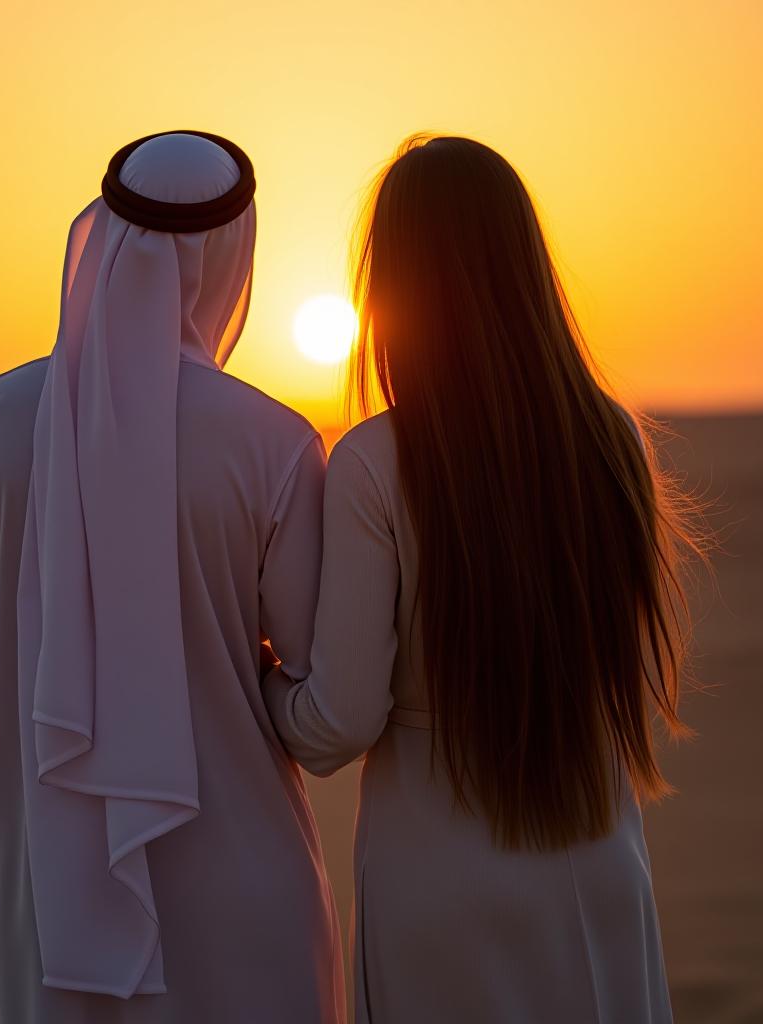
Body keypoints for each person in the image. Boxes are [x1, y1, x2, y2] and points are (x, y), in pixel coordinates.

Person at [264, 135, 702, 1023]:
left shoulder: (374, 461)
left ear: (393, 286)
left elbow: (334, 725)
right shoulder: (611, 437)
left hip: (439, 886)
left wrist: (260, 676)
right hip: (599, 864)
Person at [0, 130, 344, 1024]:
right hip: (248, 892)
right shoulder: (274, 443)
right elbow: (309, 683)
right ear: (235, 254)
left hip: (41, 890)